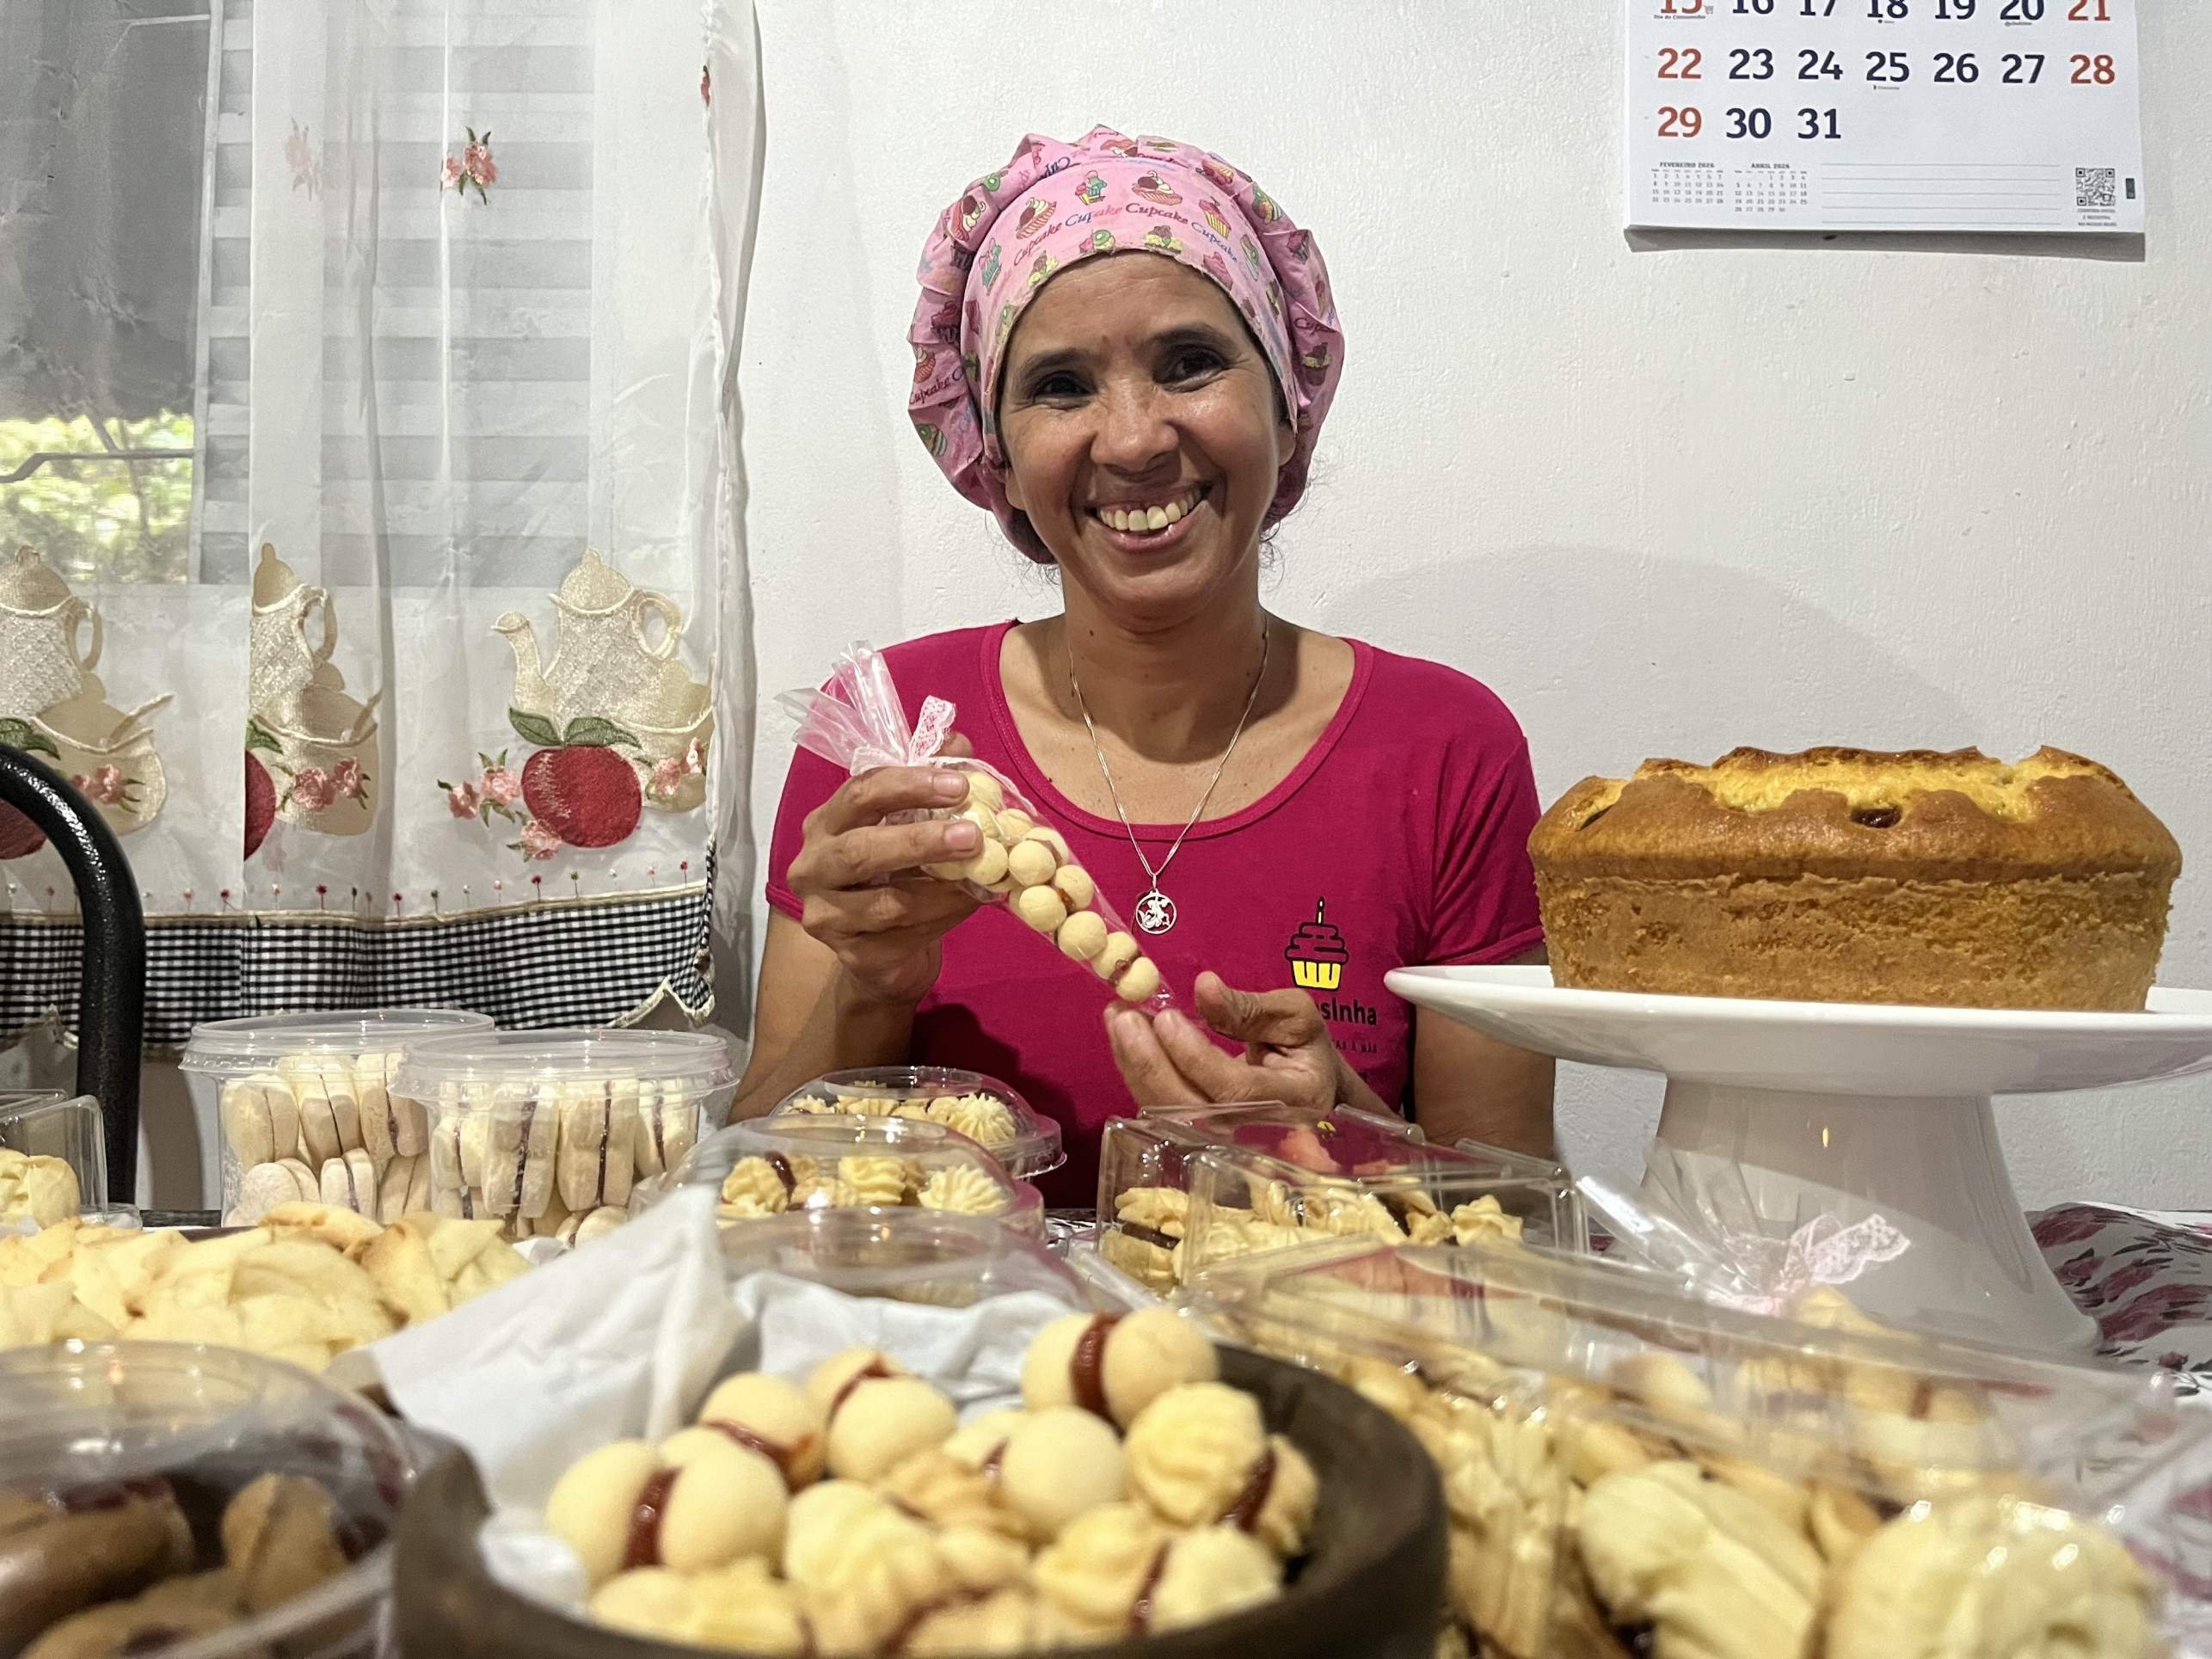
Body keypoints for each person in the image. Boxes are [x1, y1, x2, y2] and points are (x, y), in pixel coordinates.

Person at [738, 126, 1551, 1202]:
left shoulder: (1444, 748)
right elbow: (754, 1178)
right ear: (999, 459)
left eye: (1190, 363)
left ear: (1286, 400)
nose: (1131, 441)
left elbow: (1519, 1225)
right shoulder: (898, 732)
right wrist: (873, 984)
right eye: (1061, 386)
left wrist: (1335, 1124)